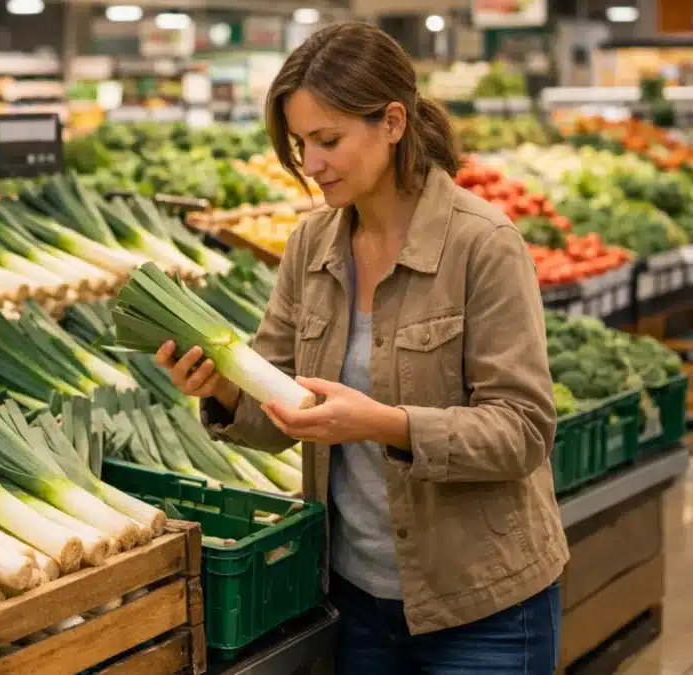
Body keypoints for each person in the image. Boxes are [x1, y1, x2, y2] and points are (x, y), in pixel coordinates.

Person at [155, 22, 568, 675]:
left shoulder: (481, 245)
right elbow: (279, 410)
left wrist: (380, 422)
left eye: (328, 141)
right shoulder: (310, 247)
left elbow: (523, 431)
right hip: (353, 603)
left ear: (393, 123)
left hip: (482, 608)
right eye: (299, 145)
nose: (310, 165)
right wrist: (221, 386)